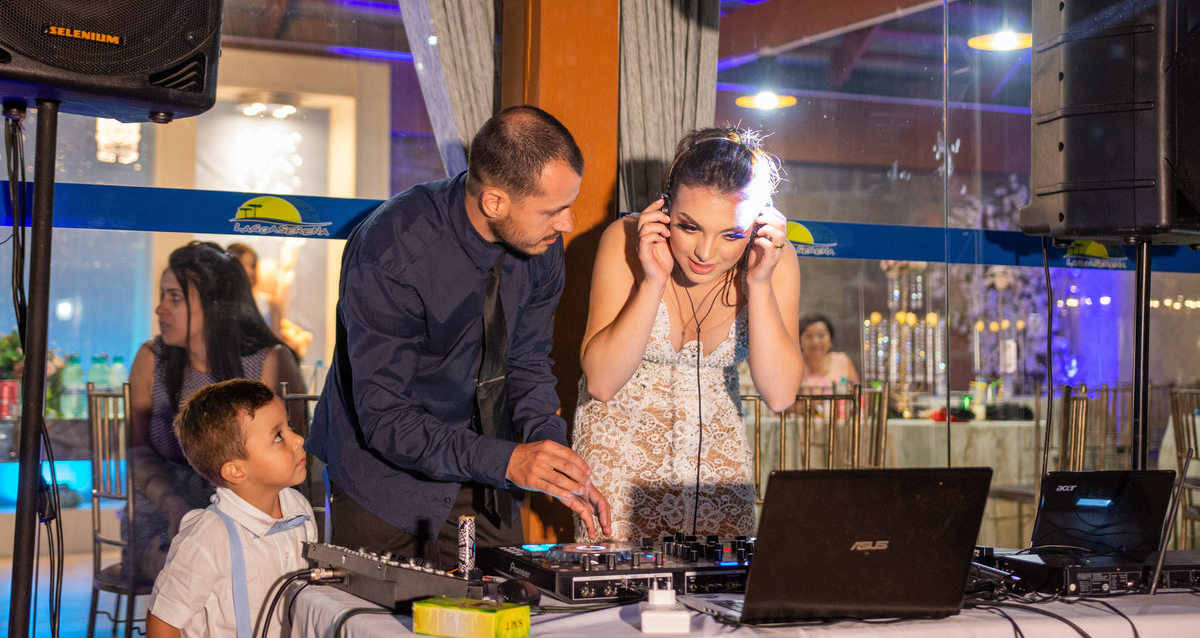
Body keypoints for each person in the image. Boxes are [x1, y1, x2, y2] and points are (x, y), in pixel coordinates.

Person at [308, 106, 610, 568]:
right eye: (553, 210)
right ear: (494, 202)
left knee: (504, 602)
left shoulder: (541, 243)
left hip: (486, 474)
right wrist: (508, 461)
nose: (567, 224)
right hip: (382, 481)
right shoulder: (393, 251)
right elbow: (386, 418)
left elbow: (527, 363)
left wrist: (553, 460)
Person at [573, 127, 803, 541]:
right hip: (620, 456)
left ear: (757, 226)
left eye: (731, 234)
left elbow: (781, 394)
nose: (705, 253)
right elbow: (602, 383)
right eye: (689, 226)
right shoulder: (624, 240)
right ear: (664, 208)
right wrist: (652, 280)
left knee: (721, 579)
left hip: (719, 462)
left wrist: (760, 284)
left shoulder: (774, 261)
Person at [128, 241, 305, 581]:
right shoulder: (152, 358)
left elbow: (295, 456)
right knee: (187, 569)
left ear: (214, 304)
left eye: (174, 297)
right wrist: (173, 505)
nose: (160, 309)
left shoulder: (269, 360)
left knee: (233, 570)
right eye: (163, 295)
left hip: (251, 510)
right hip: (164, 508)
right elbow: (137, 453)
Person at [147, 379, 316, 638]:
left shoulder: (298, 508)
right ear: (236, 471)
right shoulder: (208, 538)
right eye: (278, 436)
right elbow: (162, 620)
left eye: (289, 426)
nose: (298, 439)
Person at [797, 314, 859, 391]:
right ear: (800, 340)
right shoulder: (796, 364)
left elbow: (857, 392)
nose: (815, 341)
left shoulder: (842, 361)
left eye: (821, 335)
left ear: (830, 339)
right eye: (809, 336)